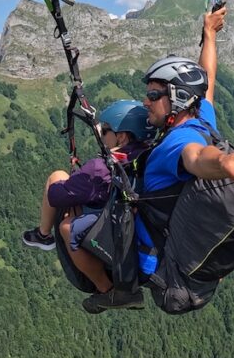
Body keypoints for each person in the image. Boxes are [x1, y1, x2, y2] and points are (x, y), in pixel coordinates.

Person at [81, 7, 234, 314]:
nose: (145, 102)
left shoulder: (177, 142)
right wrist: (209, 35)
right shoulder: (202, 121)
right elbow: (208, 85)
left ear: (177, 98)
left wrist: (224, 162)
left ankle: (110, 290)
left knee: (71, 222)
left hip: (149, 261)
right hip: (177, 253)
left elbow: (196, 157)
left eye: (153, 95)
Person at [22, 101, 150, 306]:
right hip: (135, 223)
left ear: (122, 136)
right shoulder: (147, 154)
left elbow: (56, 196)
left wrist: (76, 180)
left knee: (65, 219)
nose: (101, 135)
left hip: (114, 227)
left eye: (105, 131)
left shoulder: (100, 169)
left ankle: (105, 288)